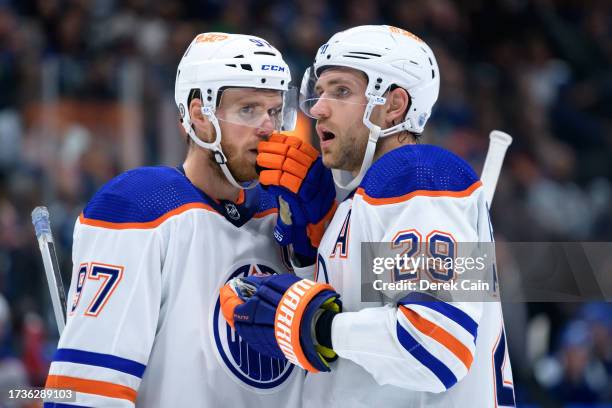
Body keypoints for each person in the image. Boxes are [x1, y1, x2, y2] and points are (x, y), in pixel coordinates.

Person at [221, 25, 516, 407]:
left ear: (394, 105)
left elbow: (438, 346)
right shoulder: (362, 200)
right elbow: (365, 333)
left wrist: (317, 325)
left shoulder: (419, 175)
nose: (318, 108)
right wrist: (309, 251)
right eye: (320, 91)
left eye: (341, 91)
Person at [43, 32, 333, 407]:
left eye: (275, 111)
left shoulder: (285, 211)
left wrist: (313, 254)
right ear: (199, 114)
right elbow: (87, 392)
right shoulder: (143, 206)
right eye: (248, 109)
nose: (268, 127)